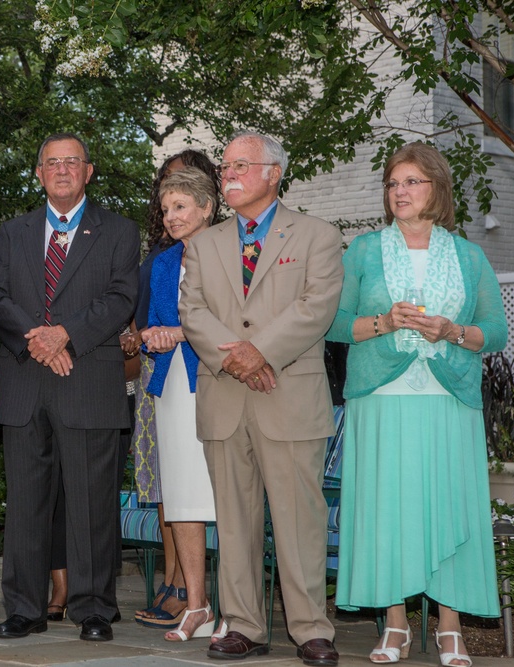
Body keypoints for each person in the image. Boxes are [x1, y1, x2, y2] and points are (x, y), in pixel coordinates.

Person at [326, 142, 507, 667]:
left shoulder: (469, 256)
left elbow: (494, 332)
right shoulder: (362, 250)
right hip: (381, 402)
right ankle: (397, 625)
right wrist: (387, 322)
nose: (399, 192)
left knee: (448, 506)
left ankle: (451, 629)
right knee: (388, 512)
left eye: (411, 182)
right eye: (393, 183)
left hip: (449, 401)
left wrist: (454, 330)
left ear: (437, 189)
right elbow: (334, 324)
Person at [178, 130, 343, 665]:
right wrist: (236, 359)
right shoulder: (202, 244)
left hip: (289, 397)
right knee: (234, 520)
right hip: (226, 397)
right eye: (226, 166)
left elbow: (317, 306)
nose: (228, 174)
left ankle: (312, 630)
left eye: (240, 166)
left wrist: (261, 352)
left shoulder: (317, 235)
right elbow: (193, 312)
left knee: (300, 520)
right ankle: (243, 624)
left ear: (273, 172)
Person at [0, 132, 139, 642]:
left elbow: (121, 298)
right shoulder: (12, 232)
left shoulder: (117, 231)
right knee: (26, 504)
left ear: (89, 172)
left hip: (88, 380)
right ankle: (24, 608)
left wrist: (65, 334)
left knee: (92, 504)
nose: (63, 169)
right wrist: (38, 340)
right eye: (53, 162)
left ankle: (93, 608)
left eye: (73, 162)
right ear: (38, 174)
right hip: (26, 380)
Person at [132, 149, 224, 634]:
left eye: (181, 207)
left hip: (216, 384)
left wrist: (181, 333)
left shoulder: (234, 253)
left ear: (207, 207)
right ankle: (197, 605)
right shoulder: (164, 263)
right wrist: (151, 334)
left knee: (226, 498)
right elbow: (155, 321)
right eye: (166, 209)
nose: (170, 217)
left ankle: (234, 608)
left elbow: (239, 326)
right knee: (184, 498)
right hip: (168, 388)